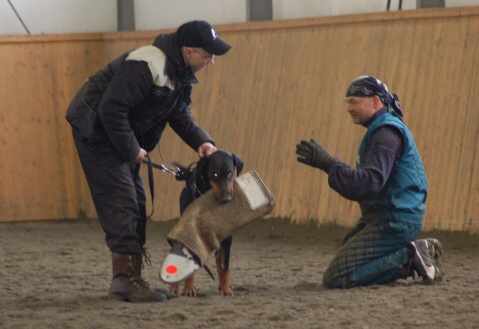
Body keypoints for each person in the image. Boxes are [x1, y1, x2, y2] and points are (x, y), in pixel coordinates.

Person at [66, 20, 231, 302]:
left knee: (138, 202)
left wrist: (202, 141)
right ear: (188, 51)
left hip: (117, 133)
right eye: (208, 55)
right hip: (96, 130)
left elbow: (179, 113)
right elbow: (111, 108)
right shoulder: (147, 65)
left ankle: (132, 277)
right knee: (123, 201)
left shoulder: (179, 72)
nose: (211, 61)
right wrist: (131, 149)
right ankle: (123, 281)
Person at [295, 76, 444, 289]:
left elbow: (369, 183)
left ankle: (409, 256)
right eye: (347, 102)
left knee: (336, 278)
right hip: (392, 216)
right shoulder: (384, 129)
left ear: (375, 101)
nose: (348, 108)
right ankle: (411, 255)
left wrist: (329, 164)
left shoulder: (385, 133)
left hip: (394, 221)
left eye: (354, 102)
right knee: (351, 254)